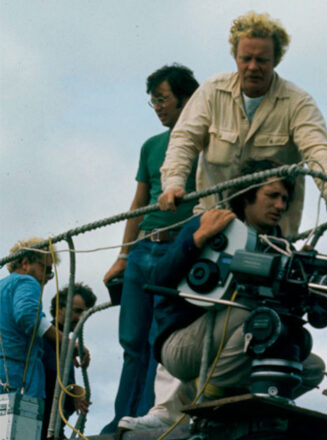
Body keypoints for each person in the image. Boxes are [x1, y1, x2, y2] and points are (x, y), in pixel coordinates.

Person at [119, 159, 325, 432]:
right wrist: (197, 239)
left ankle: (230, 395)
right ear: (248, 194)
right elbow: (158, 278)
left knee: (309, 366)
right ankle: (204, 391)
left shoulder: (280, 245)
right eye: (272, 196)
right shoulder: (211, 221)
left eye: (285, 199)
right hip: (182, 346)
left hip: (231, 344)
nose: (281, 206)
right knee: (251, 312)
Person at [158, 11, 327, 233]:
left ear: (276, 60)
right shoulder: (211, 91)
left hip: (273, 236)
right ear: (235, 57)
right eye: (246, 59)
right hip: (211, 226)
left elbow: (318, 152)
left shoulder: (298, 102)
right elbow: (184, 140)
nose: (253, 67)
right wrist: (173, 184)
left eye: (262, 60)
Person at [100, 64, 200, 434]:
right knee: (132, 339)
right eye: (153, 101)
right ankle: (118, 420)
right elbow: (139, 203)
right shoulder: (151, 146)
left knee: (162, 338)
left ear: (187, 98)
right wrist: (123, 255)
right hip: (143, 249)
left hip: (178, 250)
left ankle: (146, 418)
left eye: (163, 99)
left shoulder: (206, 143)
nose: (157, 107)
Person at [0, 238, 61, 401]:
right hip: (16, 377)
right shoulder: (27, 281)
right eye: (46, 269)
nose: (48, 277)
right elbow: (28, 316)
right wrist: (66, 342)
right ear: (25, 263)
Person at [41, 283, 96, 440]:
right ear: (60, 308)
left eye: (85, 313)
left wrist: (74, 391)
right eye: (77, 311)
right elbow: (50, 377)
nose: (81, 318)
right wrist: (73, 390)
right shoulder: (45, 340)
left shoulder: (66, 346)